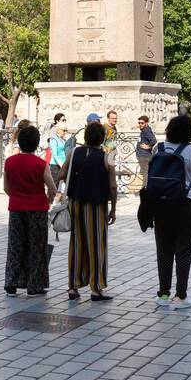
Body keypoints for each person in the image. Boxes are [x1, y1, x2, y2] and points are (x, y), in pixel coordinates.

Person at [143, 114, 191, 311]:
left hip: (160, 205)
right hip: (186, 205)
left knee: (163, 249)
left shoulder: (158, 148)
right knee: (184, 250)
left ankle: (163, 294)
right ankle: (181, 296)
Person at [59, 120, 116, 301]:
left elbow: (61, 174)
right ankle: (96, 288)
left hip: (75, 203)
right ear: (102, 138)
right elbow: (113, 186)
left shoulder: (74, 152)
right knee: (97, 245)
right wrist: (113, 208)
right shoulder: (107, 156)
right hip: (96, 205)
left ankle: (73, 287)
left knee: (76, 244)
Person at [3, 123, 57, 295]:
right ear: (36, 143)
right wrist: (47, 201)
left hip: (17, 208)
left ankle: (11, 282)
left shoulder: (10, 162)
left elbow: (6, 187)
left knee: (16, 245)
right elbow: (52, 188)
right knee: (36, 247)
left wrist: (16, 196)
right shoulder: (41, 164)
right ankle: (34, 285)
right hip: (37, 209)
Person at [133, 115, 157, 187]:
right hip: (143, 155)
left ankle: (145, 190)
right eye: (139, 123)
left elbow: (154, 141)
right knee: (145, 173)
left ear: (146, 123)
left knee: (145, 174)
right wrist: (138, 126)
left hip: (144, 155)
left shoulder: (146, 130)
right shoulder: (146, 129)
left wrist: (148, 146)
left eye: (142, 123)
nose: (140, 124)